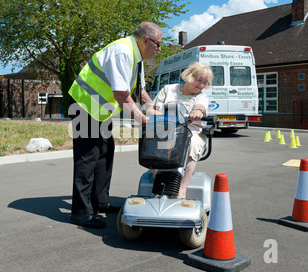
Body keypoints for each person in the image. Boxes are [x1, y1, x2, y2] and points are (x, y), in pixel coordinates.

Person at [68, 22, 163, 228]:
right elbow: (121, 94)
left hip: (99, 110)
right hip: (85, 104)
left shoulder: (136, 59)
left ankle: (100, 203)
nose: (159, 49)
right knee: (88, 157)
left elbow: (139, 91)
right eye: (158, 44)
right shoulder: (122, 52)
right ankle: (81, 212)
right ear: (146, 40)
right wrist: (144, 121)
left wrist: (156, 109)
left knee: (105, 152)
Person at [147, 62, 213, 199]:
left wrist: (197, 112)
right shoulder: (169, 90)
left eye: (205, 83)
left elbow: (201, 107)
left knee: (192, 143)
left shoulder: (201, 97)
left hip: (191, 131)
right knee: (153, 140)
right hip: (166, 129)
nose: (201, 85)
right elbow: (151, 109)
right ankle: (158, 184)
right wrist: (158, 113)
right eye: (199, 80)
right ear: (189, 75)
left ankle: (181, 189)